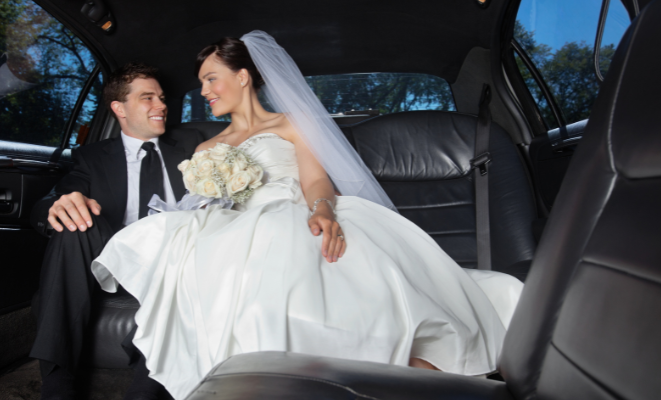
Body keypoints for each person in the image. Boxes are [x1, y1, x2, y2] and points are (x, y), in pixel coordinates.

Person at [91, 31, 524, 400]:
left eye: (211, 79)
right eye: (201, 82)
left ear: (242, 77)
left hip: (295, 214)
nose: (204, 91)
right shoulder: (206, 150)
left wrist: (322, 212)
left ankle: (401, 371)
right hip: (237, 228)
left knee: (301, 267)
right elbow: (205, 200)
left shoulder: (290, 124)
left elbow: (317, 182)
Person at [29, 62, 197, 399]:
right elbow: (50, 200)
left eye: (162, 98)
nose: (162, 106)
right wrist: (58, 206)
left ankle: (148, 383)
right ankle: (57, 381)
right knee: (75, 222)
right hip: (113, 256)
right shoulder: (91, 158)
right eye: (147, 98)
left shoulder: (192, 146)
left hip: (176, 256)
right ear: (119, 108)